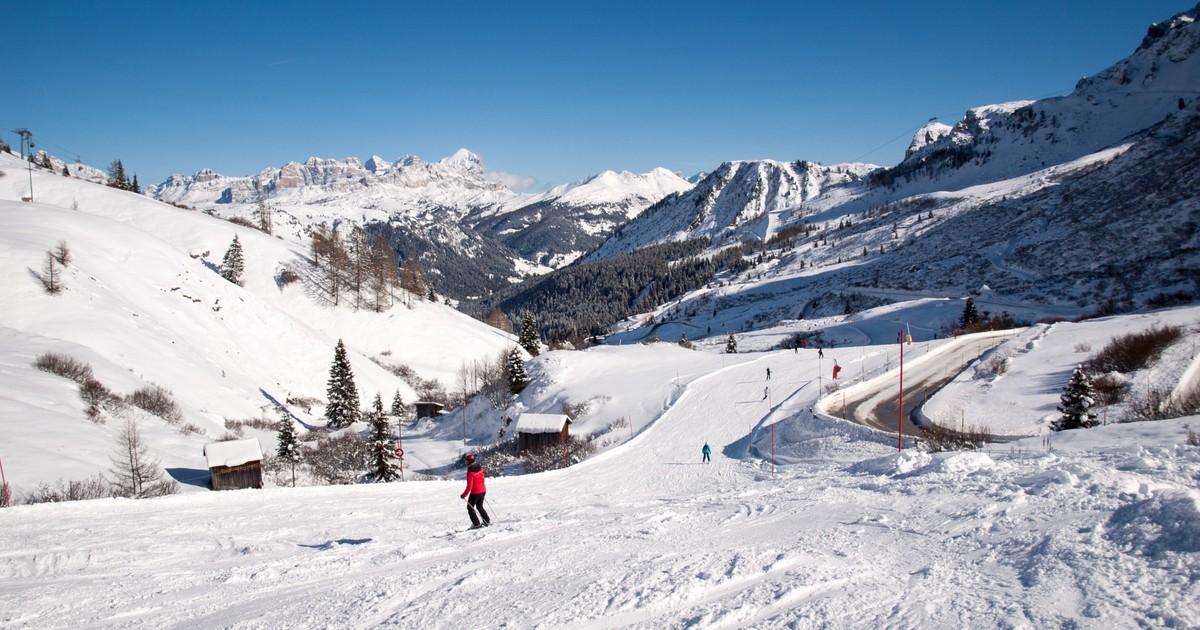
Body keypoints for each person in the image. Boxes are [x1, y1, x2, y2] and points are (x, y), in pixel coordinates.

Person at [459, 454, 490, 529]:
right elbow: (483, 479)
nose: (465, 462)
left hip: (475, 493)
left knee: (470, 508)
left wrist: (464, 495)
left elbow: (469, 486)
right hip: (483, 490)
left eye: (466, 461)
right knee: (479, 506)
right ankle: (487, 521)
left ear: (469, 461)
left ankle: (477, 524)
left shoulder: (470, 472)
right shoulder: (479, 467)